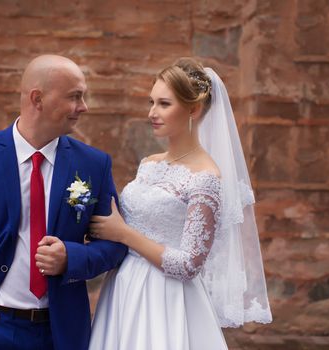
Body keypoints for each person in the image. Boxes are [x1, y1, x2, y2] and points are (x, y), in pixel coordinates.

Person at [0, 54, 128, 350]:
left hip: (65, 332)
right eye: (74, 96)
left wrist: (71, 257)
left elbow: (115, 245)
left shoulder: (94, 164)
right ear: (37, 99)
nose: (84, 107)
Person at [88, 57, 272, 349]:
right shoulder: (148, 164)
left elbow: (189, 264)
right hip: (122, 288)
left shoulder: (206, 178)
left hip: (165, 298)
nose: (152, 113)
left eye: (164, 104)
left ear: (194, 109)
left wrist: (123, 234)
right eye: (151, 102)